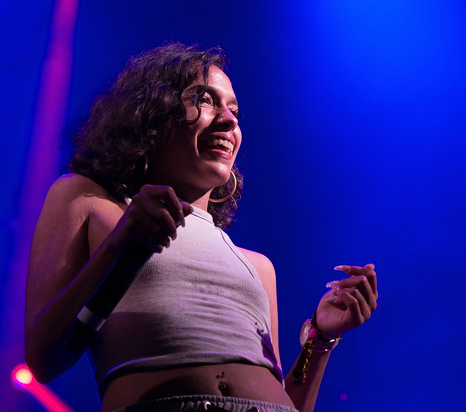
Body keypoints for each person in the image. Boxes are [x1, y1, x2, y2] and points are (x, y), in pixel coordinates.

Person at [25, 43, 378, 412]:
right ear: (151, 116)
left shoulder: (257, 267)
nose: (229, 120)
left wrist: (320, 341)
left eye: (235, 110)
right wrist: (119, 249)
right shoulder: (87, 200)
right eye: (206, 100)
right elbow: (44, 359)